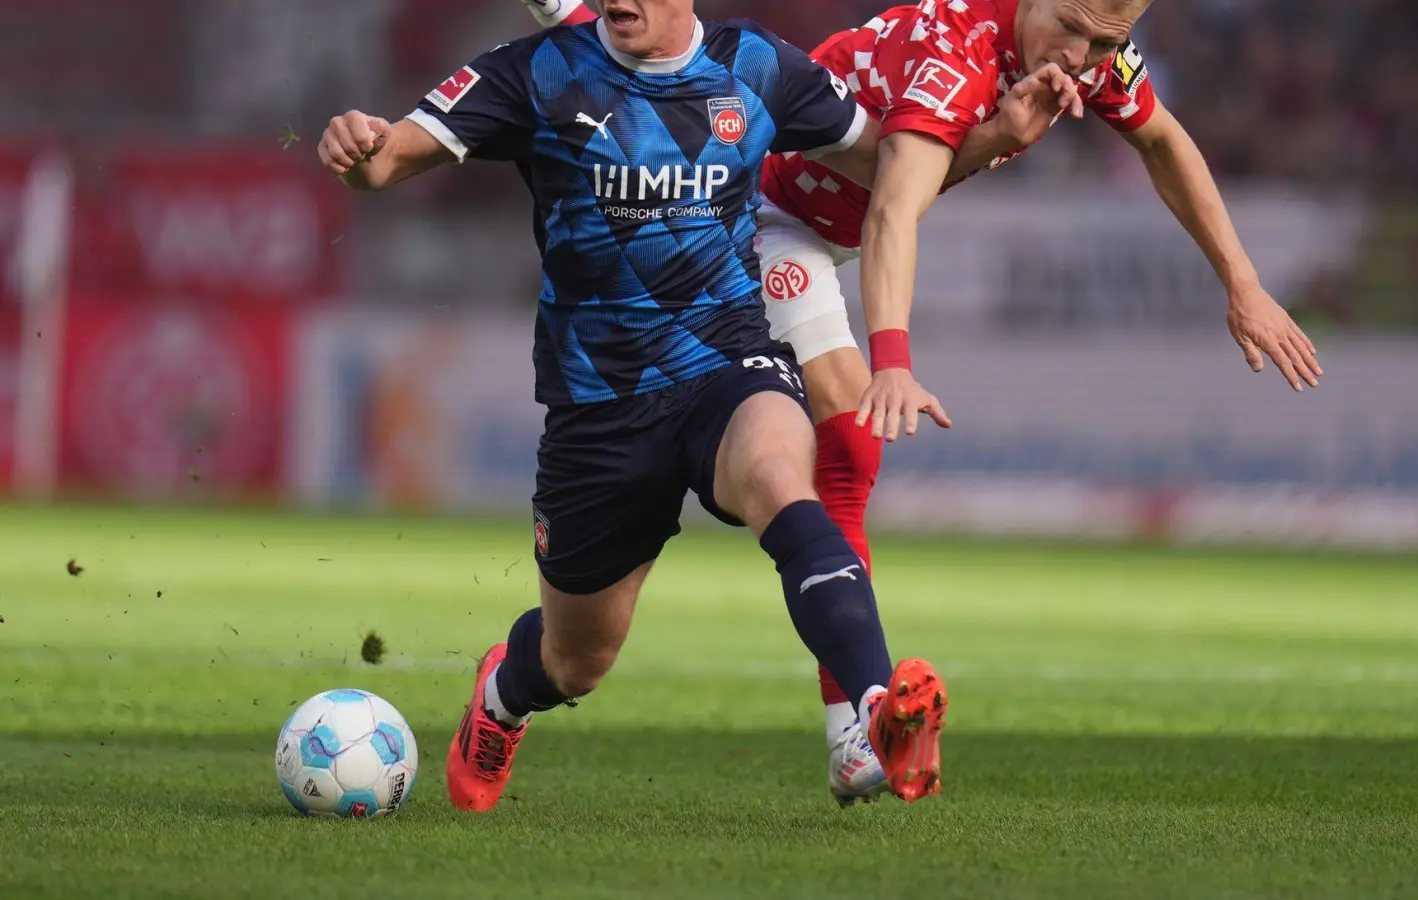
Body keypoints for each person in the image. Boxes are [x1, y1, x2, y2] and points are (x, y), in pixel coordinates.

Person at [523, 0, 1326, 806]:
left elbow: (1163, 140)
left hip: (825, 228)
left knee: (833, 460)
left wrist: (1243, 283)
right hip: (760, 212)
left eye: (1106, 42)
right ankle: (855, 733)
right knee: (849, 434)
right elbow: (893, 208)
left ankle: (853, 732)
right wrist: (893, 359)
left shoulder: (1084, 51)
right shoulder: (958, 51)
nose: (1082, 55)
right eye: (1071, 30)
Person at [316, 0, 965, 811]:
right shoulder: (539, 70)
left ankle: (876, 710)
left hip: (728, 364)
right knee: (576, 659)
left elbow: (897, 161)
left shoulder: (759, 69)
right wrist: (357, 148)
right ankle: (502, 699)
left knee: (779, 477)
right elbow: (386, 161)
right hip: (600, 410)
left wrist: (998, 131)